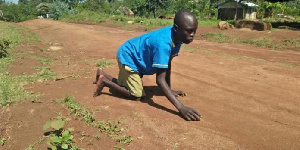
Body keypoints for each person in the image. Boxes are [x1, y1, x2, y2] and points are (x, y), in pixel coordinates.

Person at [93, 10, 201, 121]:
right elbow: (160, 80)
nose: (192, 35)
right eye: (189, 31)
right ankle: (105, 82)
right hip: (128, 57)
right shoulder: (164, 43)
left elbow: (167, 62)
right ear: (176, 28)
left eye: (194, 31)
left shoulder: (178, 38)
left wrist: (170, 89)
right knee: (137, 94)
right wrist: (181, 107)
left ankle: (103, 74)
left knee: (128, 84)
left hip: (133, 56)